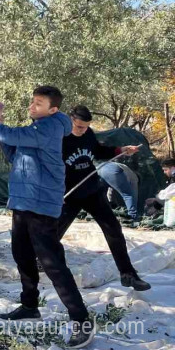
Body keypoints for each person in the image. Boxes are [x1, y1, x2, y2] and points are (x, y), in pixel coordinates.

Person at [0, 86, 95, 349]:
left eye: (39, 103)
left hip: (41, 206)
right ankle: (30, 305)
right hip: (23, 202)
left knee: (52, 263)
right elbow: (13, 151)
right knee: (21, 254)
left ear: (53, 109)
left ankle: (82, 319)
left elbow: (12, 134)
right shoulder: (37, 129)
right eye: (32, 101)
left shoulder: (50, 127)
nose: (32, 106)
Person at [57, 106, 149, 291]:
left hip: (92, 190)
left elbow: (98, 151)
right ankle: (39, 260)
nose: (82, 130)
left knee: (114, 230)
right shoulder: (58, 138)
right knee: (52, 233)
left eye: (85, 127)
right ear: (70, 121)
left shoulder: (88, 133)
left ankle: (128, 275)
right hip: (68, 195)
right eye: (79, 127)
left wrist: (121, 150)